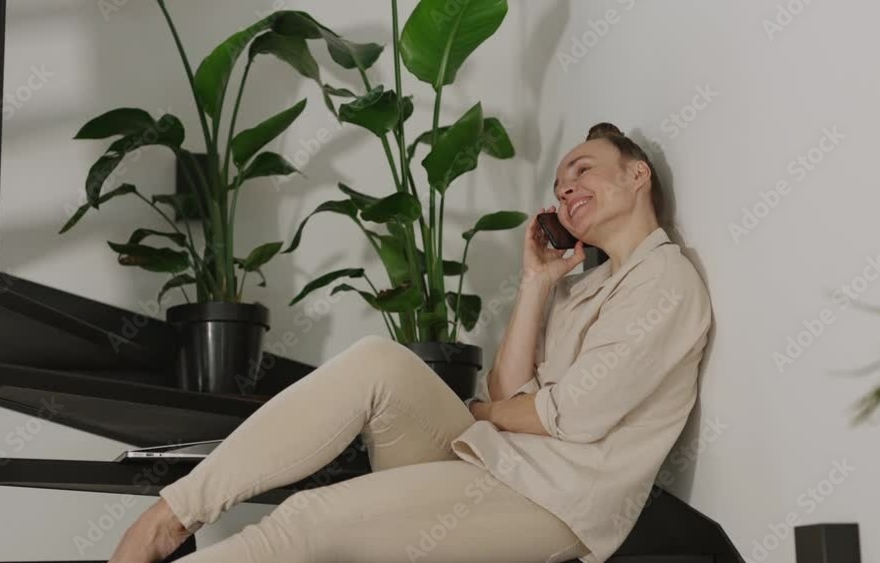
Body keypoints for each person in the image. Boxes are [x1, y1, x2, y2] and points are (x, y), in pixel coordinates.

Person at [108, 122, 713, 563]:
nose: (566, 191)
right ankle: (173, 514)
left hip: (557, 501)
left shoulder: (666, 281)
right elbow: (508, 387)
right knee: (378, 360)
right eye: (558, 187)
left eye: (582, 170)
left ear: (637, 174)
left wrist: (484, 414)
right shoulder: (585, 288)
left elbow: (571, 416)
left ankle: (158, 537)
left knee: (307, 520)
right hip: (500, 461)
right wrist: (535, 283)